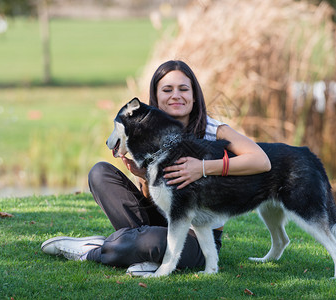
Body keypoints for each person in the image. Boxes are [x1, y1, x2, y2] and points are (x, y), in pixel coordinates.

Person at [41, 60, 271, 275]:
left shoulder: (213, 130)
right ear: (156, 97)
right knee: (100, 173)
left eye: (183, 89)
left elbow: (261, 160)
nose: (176, 96)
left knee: (147, 241)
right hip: (160, 221)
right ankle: (135, 247)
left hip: (195, 236)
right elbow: (155, 199)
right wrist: (144, 177)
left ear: (194, 96)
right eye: (167, 90)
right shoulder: (146, 134)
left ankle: (94, 250)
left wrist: (202, 167)